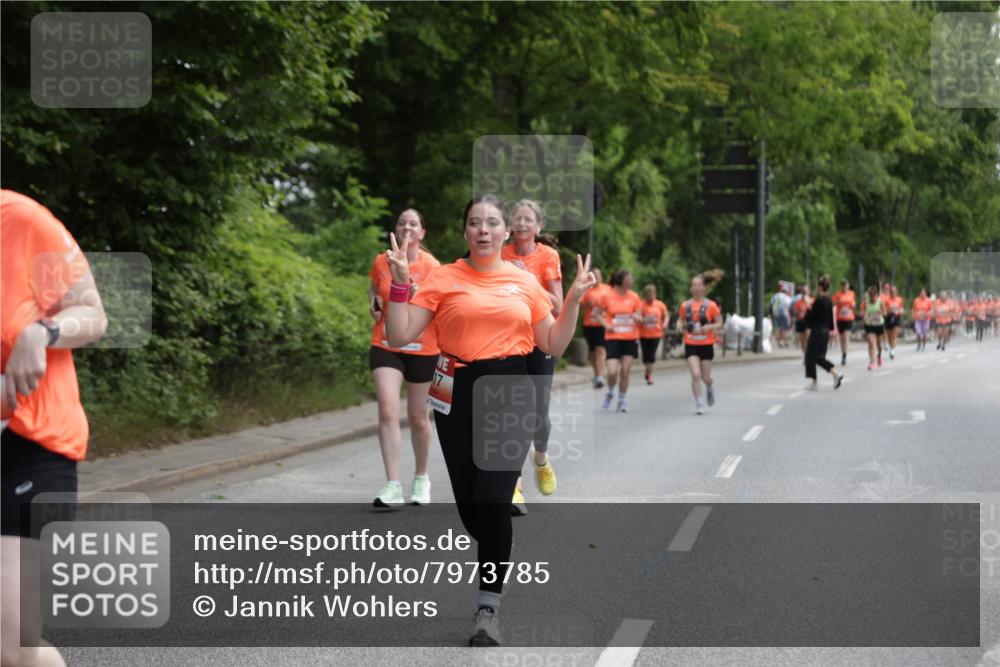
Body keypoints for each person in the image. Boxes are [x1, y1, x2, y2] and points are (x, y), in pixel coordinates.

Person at [383, 194, 595, 646]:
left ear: (506, 232)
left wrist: (574, 300)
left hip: (509, 389)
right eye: (475, 222)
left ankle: (488, 609)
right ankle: (497, 549)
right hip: (454, 389)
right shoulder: (442, 278)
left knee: (495, 500)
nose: (484, 230)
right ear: (465, 231)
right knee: (472, 508)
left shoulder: (525, 281)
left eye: (492, 222)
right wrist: (400, 284)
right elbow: (398, 334)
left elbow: (553, 344)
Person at [2, 190, 108, 667]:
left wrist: (41, 333)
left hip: (31, 448)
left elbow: (92, 313)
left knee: (12, 645)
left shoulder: (21, 220)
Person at [367, 209, 439, 509]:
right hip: (386, 344)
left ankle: (421, 477)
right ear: (396, 230)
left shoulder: (433, 266)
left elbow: (441, 305)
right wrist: (373, 304)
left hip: (424, 348)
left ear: (422, 232)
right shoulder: (381, 261)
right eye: (402, 222)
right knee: (387, 410)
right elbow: (374, 290)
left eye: (413, 223)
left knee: (419, 417)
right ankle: (392, 484)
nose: (407, 226)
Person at [501, 199, 562, 513]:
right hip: (508, 341)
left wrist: (527, 279)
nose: (522, 224)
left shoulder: (548, 256)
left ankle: (541, 457)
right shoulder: (500, 253)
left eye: (528, 219)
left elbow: (558, 306)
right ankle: (515, 486)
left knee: (539, 415)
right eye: (517, 218)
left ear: (538, 227)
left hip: (540, 341)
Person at [594, 270, 642, 412]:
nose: (632, 281)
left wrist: (638, 318)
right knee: (612, 371)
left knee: (625, 370)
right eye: (629, 278)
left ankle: (622, 400)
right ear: (621, 280)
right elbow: (596, 314)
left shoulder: (634, 297)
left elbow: (640, 316)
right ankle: (610, 392)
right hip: (613, 338)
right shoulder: (607, 296)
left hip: (630, 338)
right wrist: (606, 325)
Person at [676, 273, 722, 415]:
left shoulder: (711, 305)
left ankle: (709, 385)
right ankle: (699, 403)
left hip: (706, 343)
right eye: (694, 285)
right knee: (695, 374)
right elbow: (681, 319)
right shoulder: (685, 305)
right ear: (691, 288)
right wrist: (679, 325)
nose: (696, 288)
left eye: (699, 285)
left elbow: (720, 323)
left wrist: (708, 327)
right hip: (691, 342)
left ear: (704, 288)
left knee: (705, 377)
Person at [803, 275, 844, 390]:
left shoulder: (818, 301)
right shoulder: (829, 301)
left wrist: (808, 307)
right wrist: (831, 330)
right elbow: (830, 317)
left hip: (817, 331)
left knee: (810, 356)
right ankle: (835, 374)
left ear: (820, 287)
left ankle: (815, 382)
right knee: (819, 357)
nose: (816, 288)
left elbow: (811, 318)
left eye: (817, 286)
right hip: (825, 331)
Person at [580, 269, 610, 388]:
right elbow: (580, 304)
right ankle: (596, 374)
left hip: (602, 324)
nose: (596, 277)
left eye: (598, 275)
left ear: (601, 277)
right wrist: (587, 304)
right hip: (589, 324)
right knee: (592, 353)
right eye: (594, 275)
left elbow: (613, 304)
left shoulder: (608, 289)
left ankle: (601, 377)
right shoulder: (587, 289)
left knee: (600, 350)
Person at [639, 284, 668, 385]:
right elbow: (637, 316)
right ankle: (647, 370)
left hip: (656, 333)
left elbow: (666, 316)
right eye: (648, 294)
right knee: (645, 357)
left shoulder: (660, 305)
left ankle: (650, 376)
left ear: (655, 294)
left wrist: (665, 324)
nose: (650, 296)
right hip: (643, 334)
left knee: (652, 355)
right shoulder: (641, 305)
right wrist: (642, 320)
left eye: (652, 294)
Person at [860, 285, 887, 370]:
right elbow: (863, 312)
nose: (872, 298)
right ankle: (872, 362)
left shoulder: (880, 302)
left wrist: (880, 313)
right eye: (871, 296)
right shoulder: (866, 301)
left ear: (877, 295)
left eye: (874, 296)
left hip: (879, 324)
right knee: (871, 343)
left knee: (879, 345)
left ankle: (879, 356)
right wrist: (864, 316)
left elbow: (885, 313)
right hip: (869, 324)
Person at [832, 279, 857, 365]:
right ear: (841, 286)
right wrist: (838, 302)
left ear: (848, 285)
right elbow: (833, 303)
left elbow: (853, 303)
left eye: (846, 284)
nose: (844, 286)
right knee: (842, 338)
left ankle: (845, 355)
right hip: (840, 318)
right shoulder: (837, 294)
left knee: (846, 337)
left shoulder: (852, 293)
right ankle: (843, 355)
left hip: (849, 318)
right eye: (843, 285)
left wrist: (853, 304)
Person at [884, 285, 904, 360]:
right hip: (888, 318)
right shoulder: (886, 300)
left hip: (896, 318)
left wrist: (900, 311)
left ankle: (892, 350)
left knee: (894, 336)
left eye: (894, 291)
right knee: (889, 337)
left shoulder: (899, 299)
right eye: (891, 291)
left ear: (896, 292)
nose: (893, 292)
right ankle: (891, 347)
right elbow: (884, 310)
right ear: (890, 292)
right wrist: (888, 311)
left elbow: (901, 308)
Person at [793, 284, 813, 355]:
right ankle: (805, 355)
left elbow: (814, 311)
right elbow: (795, 312)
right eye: (803, 291)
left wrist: (808, 303)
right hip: (801, 321)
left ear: (808, 291)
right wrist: (799, 312)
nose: (804, 292)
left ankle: (809, 354)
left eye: (806, 290)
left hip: (809, 322)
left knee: (808, 338)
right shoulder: (798, 302)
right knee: (802, 341)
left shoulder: (812, 300)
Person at [769, 284, 791, 348]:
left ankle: (779, 343)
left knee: (777, 328)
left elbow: (771, 304)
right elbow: (789, 305)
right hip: (784, 314)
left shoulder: (774, 296)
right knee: (785, 328)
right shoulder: (785, 296)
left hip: (776, 314)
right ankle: (785, 342)